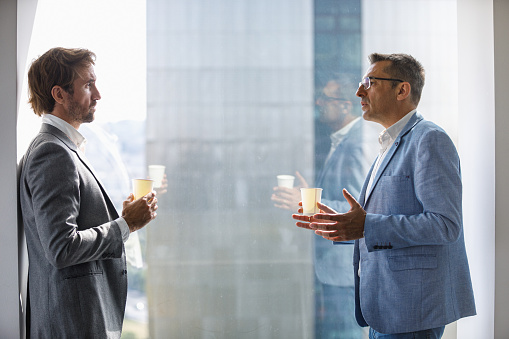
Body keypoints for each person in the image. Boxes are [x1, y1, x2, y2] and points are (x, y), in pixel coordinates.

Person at [292, 53, 476, 338]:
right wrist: (344, 224)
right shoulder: (388, 145)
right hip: (385, 307)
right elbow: (381, 217)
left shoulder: (430, 139)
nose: (358, 92)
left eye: (369, 82)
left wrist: (366, 225)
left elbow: (445, 225)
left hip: (411, 311)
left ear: (402, 90)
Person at [18, 47, 158, 338]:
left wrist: (119, 218)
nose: (98, 94)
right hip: (71, 325)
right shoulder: (52, 153)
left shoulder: (59, 148)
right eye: (87, 84)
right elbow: (62, 248)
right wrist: (126, 224)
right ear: (59, 94)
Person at [272, 75, 378, 337]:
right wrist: (307, 197)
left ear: (345, 105)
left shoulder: (357, 143)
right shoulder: (343, 140)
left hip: (344, 272)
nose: (319, 103)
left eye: (326, 98)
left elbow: (357, 209)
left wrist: (307, 202)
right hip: (334, 270)